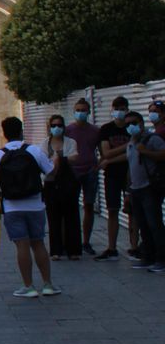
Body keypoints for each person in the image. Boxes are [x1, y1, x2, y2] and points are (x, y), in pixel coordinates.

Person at [0, 116, 59, 298]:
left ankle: (29, 286)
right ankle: (48, 284)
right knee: (38, 243)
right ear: (21, 131)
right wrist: (56, 161)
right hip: (35, 205)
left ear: (4, 134)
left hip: (12, 207)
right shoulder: (33, 150)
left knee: (22, 246)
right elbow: (50, 173)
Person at [124, 107, 165, 272]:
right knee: (143, 225)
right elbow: (130, 167)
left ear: (141, 123)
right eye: (128, 124)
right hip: (136, 189)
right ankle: (148, 257)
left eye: (134, 123)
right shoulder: (131, 143)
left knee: (154, 224)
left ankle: (161, 259)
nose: (131, 126)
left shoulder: (151, 139)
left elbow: (163, 154)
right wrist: (128, 191)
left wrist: (146, 151)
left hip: (150, 188)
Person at [96, 96, 135, 261]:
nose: (120, 111)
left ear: (127, 109)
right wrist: (127, 147)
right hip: (111, 176)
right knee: (112, 210)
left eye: (123, 107)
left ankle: (134, 246)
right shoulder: (106, 129)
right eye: (117, 107)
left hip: (130, 175)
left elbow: (131, 154)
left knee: (132, 211)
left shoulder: (132, 128)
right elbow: (105, 152)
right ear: (112, 109)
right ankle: (111, 247)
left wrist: (110, 160)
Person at [41, 113, 81, 261]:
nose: (56, 128)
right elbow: (44, 162)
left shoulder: (70, 142)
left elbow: (74, 158)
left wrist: (59, 159)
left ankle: (74, 250)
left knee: (72, 216)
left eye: (59, 125)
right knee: (53, 217)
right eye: (53, 126)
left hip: (68, 183)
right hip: (51, 183)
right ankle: (56, 250)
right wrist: (61, 160)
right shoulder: (44, 143)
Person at [66, 97, 103, 255]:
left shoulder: (95, 131)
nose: (81, 113)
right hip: (73, 172)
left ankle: (86, 241)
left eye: (83, 110)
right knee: (71, 206)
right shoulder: (68, 130)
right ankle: (72, 240)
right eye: (78, 110)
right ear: (74, 112)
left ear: (88, 112)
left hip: (89, 172)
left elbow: (102, 151)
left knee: (89, 205)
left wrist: (97, 165)